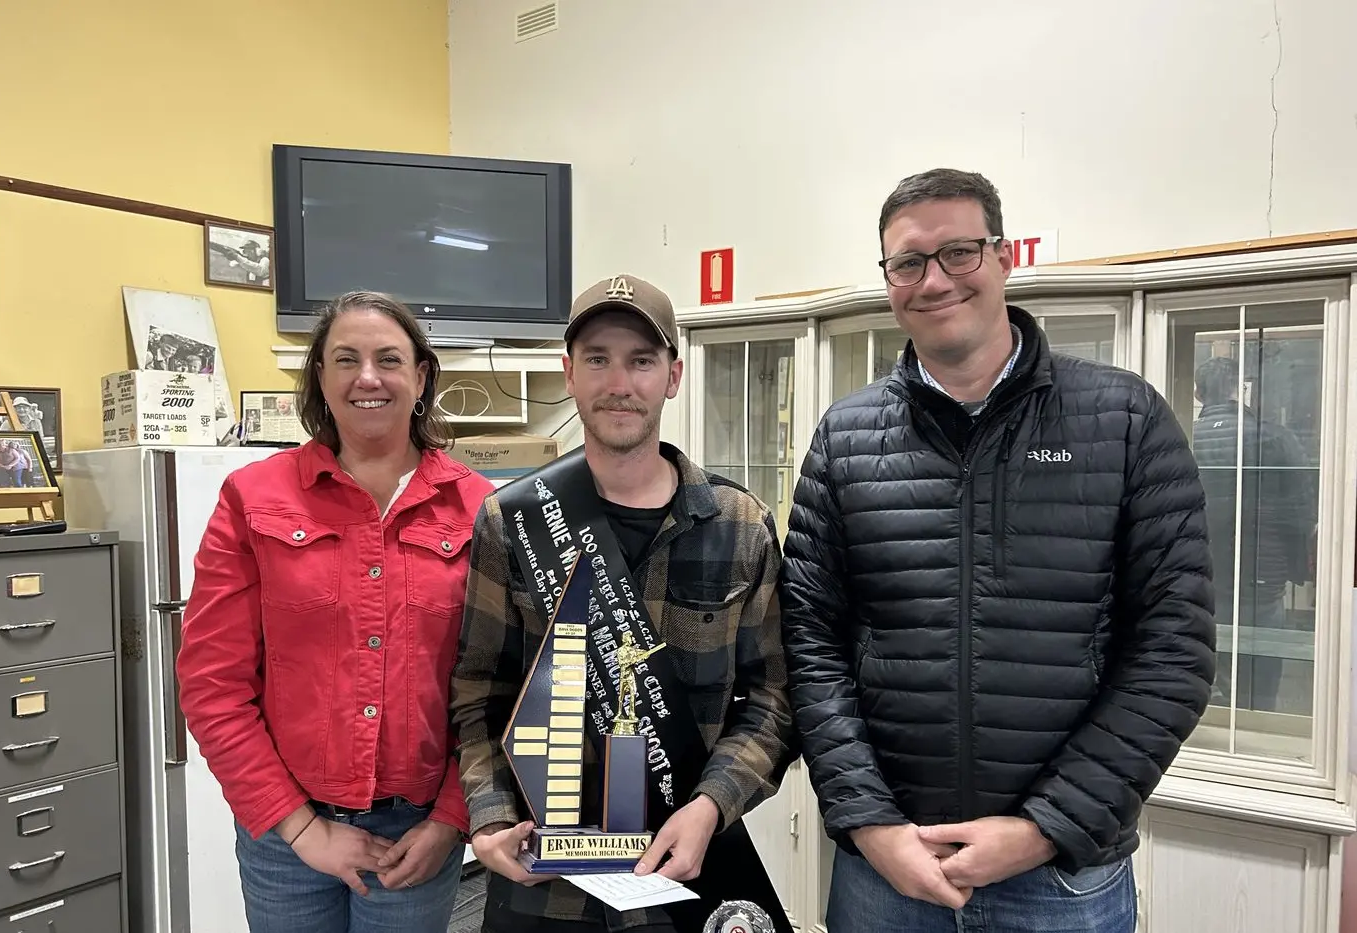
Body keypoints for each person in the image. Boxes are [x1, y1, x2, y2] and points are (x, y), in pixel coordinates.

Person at [780, 168, 1216, 933]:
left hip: (1060, 880)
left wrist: (1045, 826)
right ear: (888, 280)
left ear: (1004, 256)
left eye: (959, 252)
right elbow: (810, 642)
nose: (935, 279)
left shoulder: (1124, 419)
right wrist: (869, 822)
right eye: (908, 262)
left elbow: (1173, 653)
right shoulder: (844, 438)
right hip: (886, 874)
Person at [450, 274, 796, 933]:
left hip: (687, 871)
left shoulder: (741, 525)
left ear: (672, 375)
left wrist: (709, 806)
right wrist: (491, 813)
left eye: (641, 360)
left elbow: (775, 702)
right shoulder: (510, 522)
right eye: (598, 359)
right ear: (569, 373)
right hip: (545, 879)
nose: (619, 382)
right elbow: (476, 694)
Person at [177, 290, 494, 933]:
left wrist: (452, 821)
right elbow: (212, 684)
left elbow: (503, 688)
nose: (368, 378)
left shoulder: (481, 508)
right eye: (345, 359)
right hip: (286, 839)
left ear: (422, 374)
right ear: (320, 377)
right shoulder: (252, 496)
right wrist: (300, 829)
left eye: (389, 359)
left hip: (417, 836)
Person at [1191, 355, 1317, 712]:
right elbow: (1301, 509)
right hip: (1263, 570)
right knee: (1262, 657)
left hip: (1199, 571)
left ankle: (1206, 725)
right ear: (1240, 390)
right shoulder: (1276, 437)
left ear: (1199, 393)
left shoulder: (1184, 437)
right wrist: (1298, 570)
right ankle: (1257, 724)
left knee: (1200, 656)